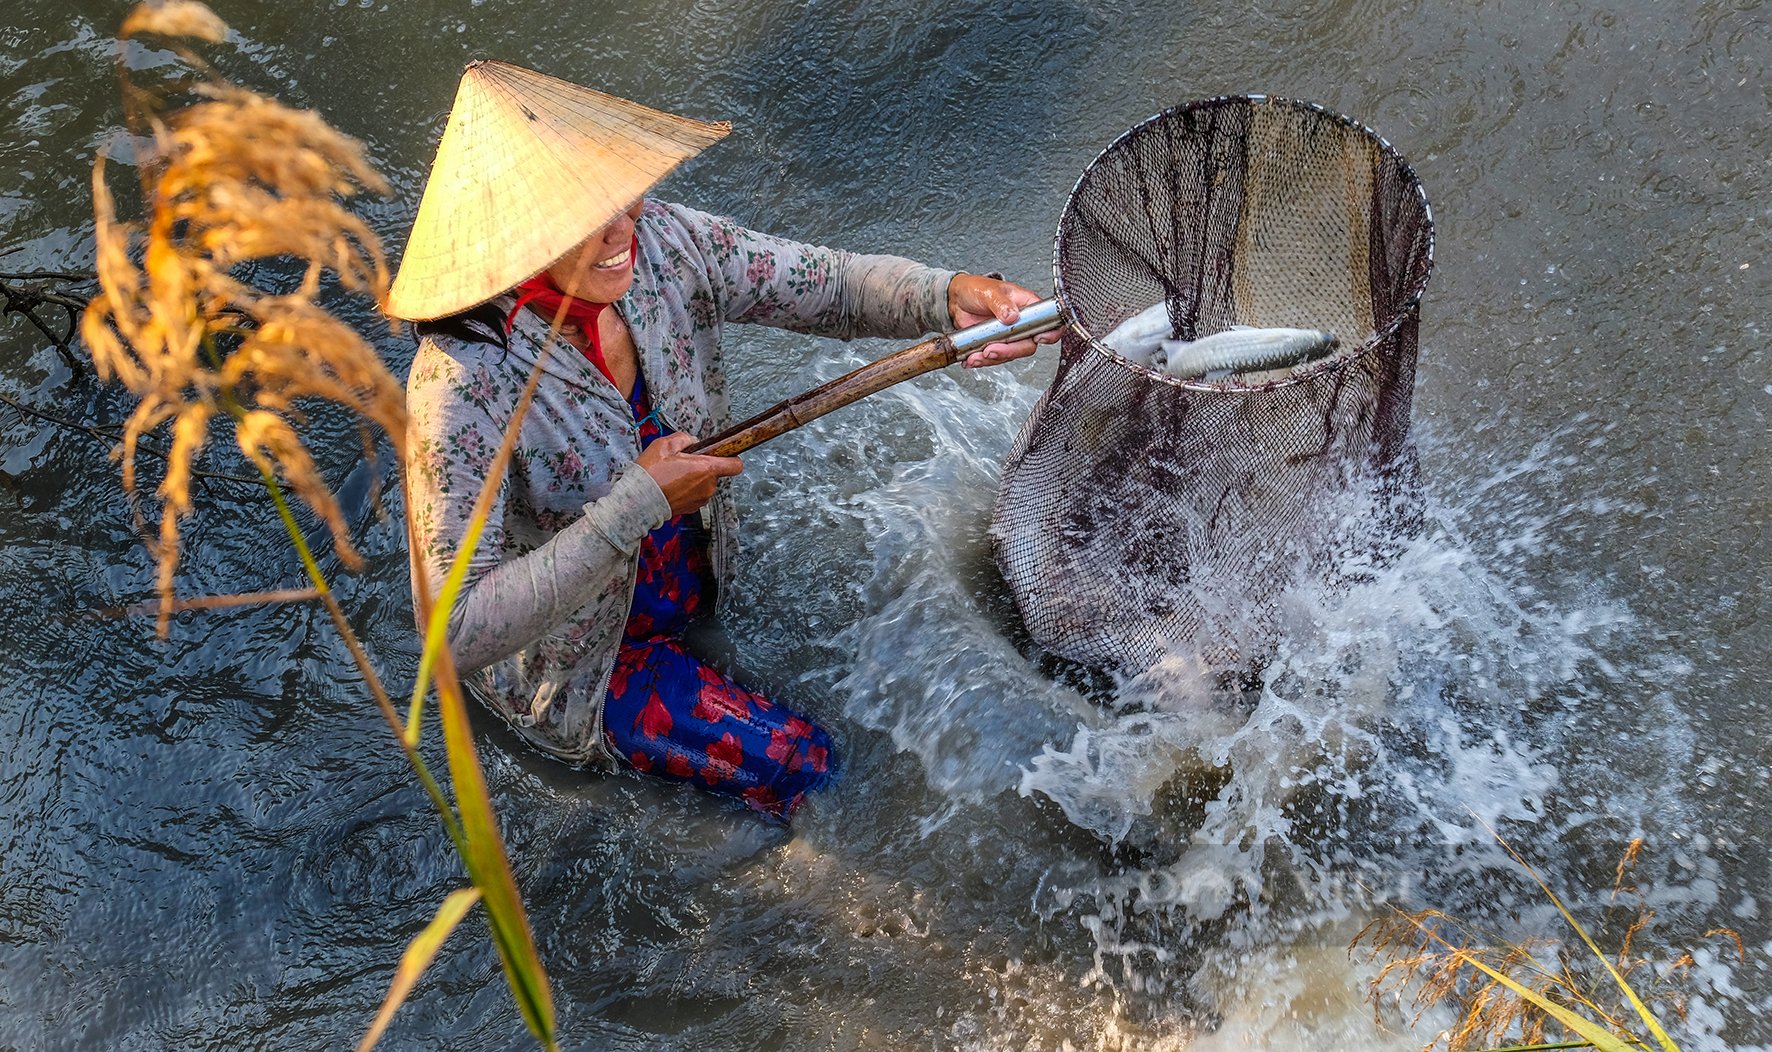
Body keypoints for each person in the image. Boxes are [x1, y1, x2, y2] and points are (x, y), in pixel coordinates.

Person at [386, 61, 1054, 821]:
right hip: (587, 667)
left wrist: (948, 295)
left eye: (620, 198)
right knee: (812, 769)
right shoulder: (464, 383)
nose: (621, 231)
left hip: (691, 584)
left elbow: (826, 284)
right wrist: (637, 505)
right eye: (583, 222)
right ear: (511, 248)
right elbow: (454, 631)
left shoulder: (664, 246)